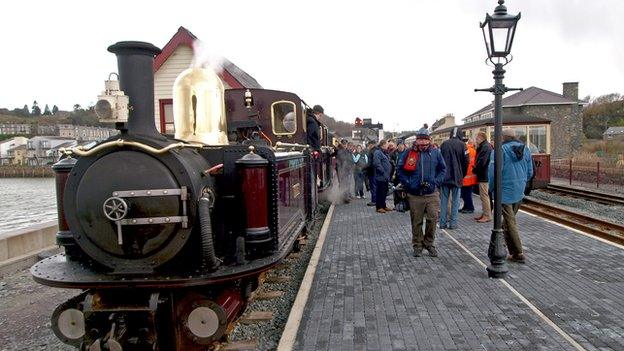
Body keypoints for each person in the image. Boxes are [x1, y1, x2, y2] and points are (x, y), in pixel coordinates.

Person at [397, 128, 446, 257]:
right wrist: (408, 183)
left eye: (425, 139)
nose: (422, 141)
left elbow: (443, 169)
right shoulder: (409, 153)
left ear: (429, 140)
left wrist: (436, 182)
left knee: (432, 219)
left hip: (432, 193)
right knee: (416, 221)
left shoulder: (436, 153)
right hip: (415, 194)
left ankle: (429, 243)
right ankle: (417, 245)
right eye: (420, 139)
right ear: (416, 140)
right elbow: (400, 169)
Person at [488, 128, 533, 263]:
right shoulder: (526, 150)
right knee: (508, 221)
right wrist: (522, 181)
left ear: (502, 138)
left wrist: (491, 188)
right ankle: (513, 252)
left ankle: (519, 253)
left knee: (509, 222)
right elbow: (530, 172)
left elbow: (493, 172)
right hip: (519, 190)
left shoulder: (499, 151)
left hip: (504, 192)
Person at [439, 127, 469, 229]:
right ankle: (453, 223)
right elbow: (466, 161)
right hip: (457, 177)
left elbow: (439, 161)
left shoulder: (444, 144)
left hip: (444, 177)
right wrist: (462, 174)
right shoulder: (463, 145)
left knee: (443, 201)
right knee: (456, 201)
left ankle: (442, 223)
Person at [474, 132, 493, 222]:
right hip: (483, 174)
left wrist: (476, 169)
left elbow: (482, 161)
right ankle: (485, 213)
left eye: (477, 137)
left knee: (484, 195)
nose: (476, 139)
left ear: (481, 138)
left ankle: (487, 215)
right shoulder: (485, 146)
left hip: (483, 175)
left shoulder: (485, 147)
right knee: (484, 195)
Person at [373, 139, 392, 213]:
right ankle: (379, 207)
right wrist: (383, 172)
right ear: (383, 144)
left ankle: (384, 205)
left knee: (384, 192)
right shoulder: (377, 152)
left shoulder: (384, 152)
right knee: (380, 192)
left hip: (385, 177)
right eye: (387, 144)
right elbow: (377, 164)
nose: (388, 145)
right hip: (381, 176)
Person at [459, 139, 477, 213]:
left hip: (465, 175)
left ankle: (469, 207)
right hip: (472, 176)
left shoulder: (465, 150)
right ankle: (466, 207)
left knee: (465, 193)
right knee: (468, 193)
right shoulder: (474, 151)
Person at [336, 139, 354, 203]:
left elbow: (351, 159)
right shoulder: (339, 151)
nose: (344, 145)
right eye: (343, 144)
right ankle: (344, 197)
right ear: (341, 144)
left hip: (348, 169)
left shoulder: (349, 151)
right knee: (343, 183)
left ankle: (347, 195)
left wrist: (351, 166)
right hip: (341, 170)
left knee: (348, 183)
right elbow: (340, 161)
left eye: (345, 144)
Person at [365, 140, 378, 206]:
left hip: (372, 172)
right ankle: (376, 200)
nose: (368, 146)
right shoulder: (377, 150)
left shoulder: (371, 151)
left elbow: (370, 163)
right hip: (376, 171)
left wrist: (364, 168)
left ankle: (374, 201)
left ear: (371, 145)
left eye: (369, 145)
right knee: (375, 186)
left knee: (373, 187)